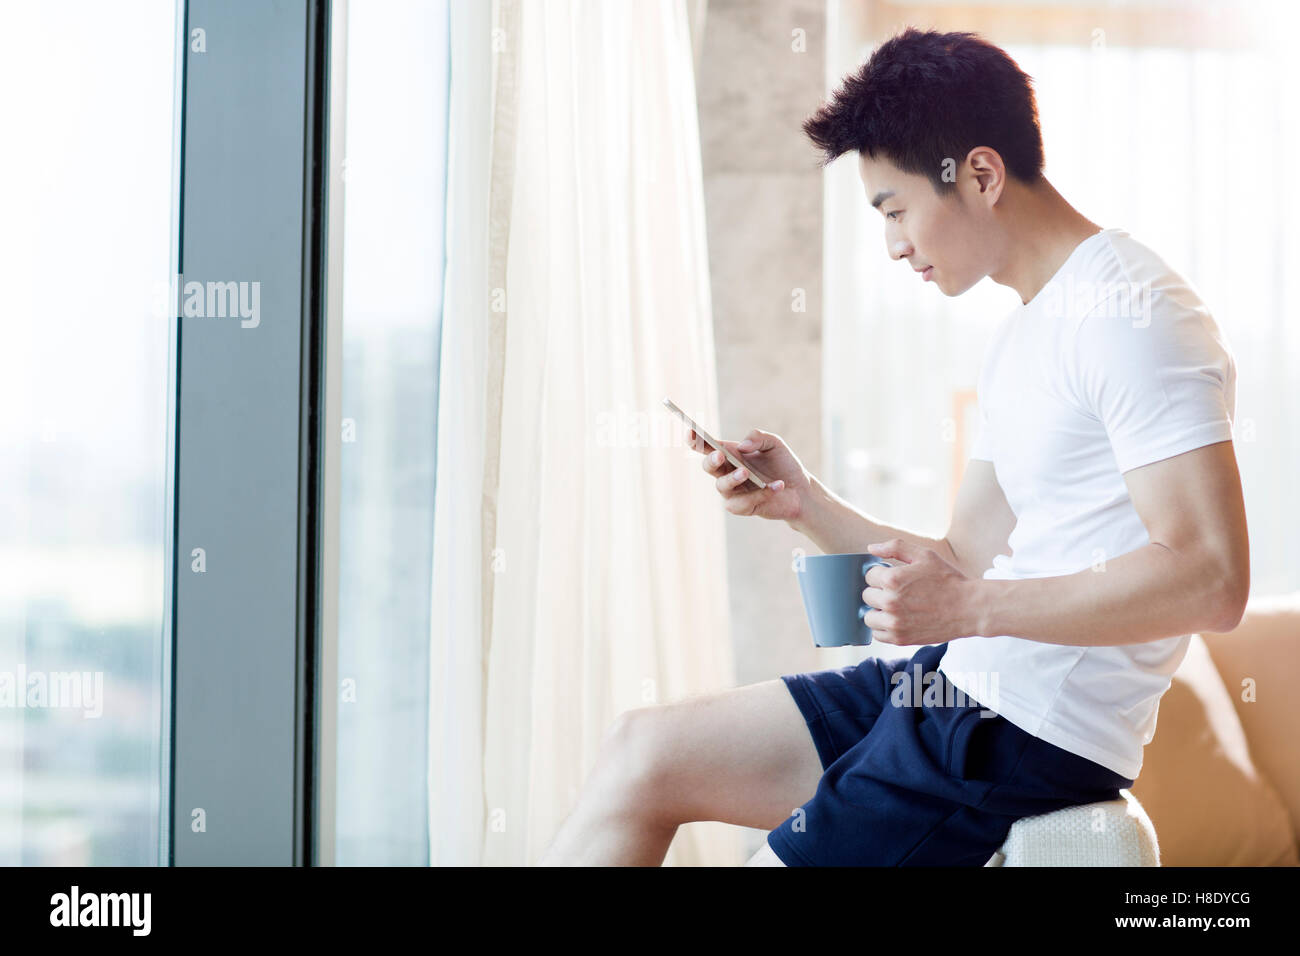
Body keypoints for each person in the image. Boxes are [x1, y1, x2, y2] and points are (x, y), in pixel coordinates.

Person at [538, 26, 1249, 867]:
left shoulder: (1137, 316)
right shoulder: (1028, 333)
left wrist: (972, 612)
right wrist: (804, 502)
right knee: (640, 755)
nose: (894, 243)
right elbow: (958, 560)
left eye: (897, 209)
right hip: (955, 684)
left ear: (979, 174)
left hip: (1016, 737)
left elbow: (1211, 580)